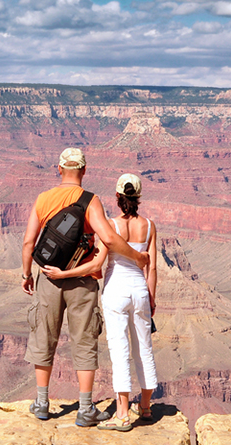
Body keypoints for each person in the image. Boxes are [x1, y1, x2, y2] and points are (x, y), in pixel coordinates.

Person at [22, 148, 150, 427]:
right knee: (84, 340)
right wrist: (138, 257)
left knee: (44, 336)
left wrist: (26, 274)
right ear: (84, 170)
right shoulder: (90, 201)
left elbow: (28, 242)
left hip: (48, 277)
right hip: (82, 281)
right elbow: (108, 238)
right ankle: (85, 409)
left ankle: (42, 404)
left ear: (59, 169)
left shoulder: (43, 199)